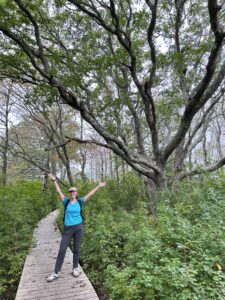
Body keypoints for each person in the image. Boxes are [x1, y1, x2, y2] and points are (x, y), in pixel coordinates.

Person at [47, 173, 106, 282]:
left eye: (74, 191)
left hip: (79, 227)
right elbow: (59, 191)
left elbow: (90, 194)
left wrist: (98, 186)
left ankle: (75, 268)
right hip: (68, 228)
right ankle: (56, 272)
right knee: (62, 250)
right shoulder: (66, 202)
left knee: (77, 249)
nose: (72, 193)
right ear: (69, 194)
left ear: (76, 193)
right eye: (71, 191)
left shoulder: (80, 201)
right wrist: (54, 181)